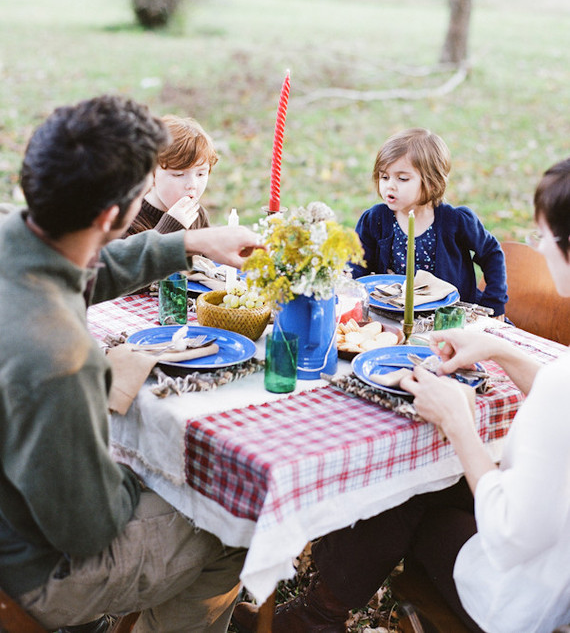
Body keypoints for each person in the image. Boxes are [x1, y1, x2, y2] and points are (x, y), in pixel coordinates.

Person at [232, 157, 570, 633]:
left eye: (542, 236)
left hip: (530, 598)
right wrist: (500, 349)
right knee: (416, 471)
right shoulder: (560, 377)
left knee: (406, 487)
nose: (536, 247)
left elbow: (512, 533)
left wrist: (459, 426)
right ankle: (316, 611)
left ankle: (314, 616)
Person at [0, 95, 260, 633]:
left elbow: (84, 267)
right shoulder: (60, 358)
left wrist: (188, 240)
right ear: (112, 215)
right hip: (38, 570)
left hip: (18, 507)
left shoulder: (14, 237)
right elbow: (90, 528)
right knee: (234, 522)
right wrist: (143, 463)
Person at [350, 127, 507, 316]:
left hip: (450, 317)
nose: (389, 185)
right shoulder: (376, 219)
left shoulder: (455, 221)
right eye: (384, 176)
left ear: (432, 183)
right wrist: (352, 295)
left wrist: (495, 302)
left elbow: (491, 253)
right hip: (393, 312)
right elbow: (357, 263)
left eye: (402, 178)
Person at [125, 114, 218, 236]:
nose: (192, 185)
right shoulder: (129, 221)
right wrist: (171, 226)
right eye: (179, 174)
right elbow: (136, 254)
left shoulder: (196, 215)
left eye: (200, 174)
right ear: (150, 174)